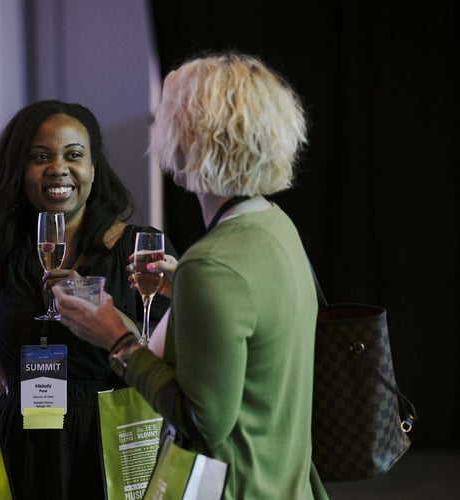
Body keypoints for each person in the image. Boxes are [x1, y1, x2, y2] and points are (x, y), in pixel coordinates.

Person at [54, 52, 330, 499]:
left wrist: (116, 340)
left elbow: (202, 422)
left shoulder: (212, 266)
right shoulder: (275, 225)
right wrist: (186, 287)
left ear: (190, 138)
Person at [0, 99, 177, 499]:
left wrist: (102, 315)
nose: (58, 168)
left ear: (93, 168)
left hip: (112, 442)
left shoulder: (138, 250)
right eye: (41, 157)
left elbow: (168, 351)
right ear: (19, 171)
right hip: (23, 446)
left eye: (74, 155)